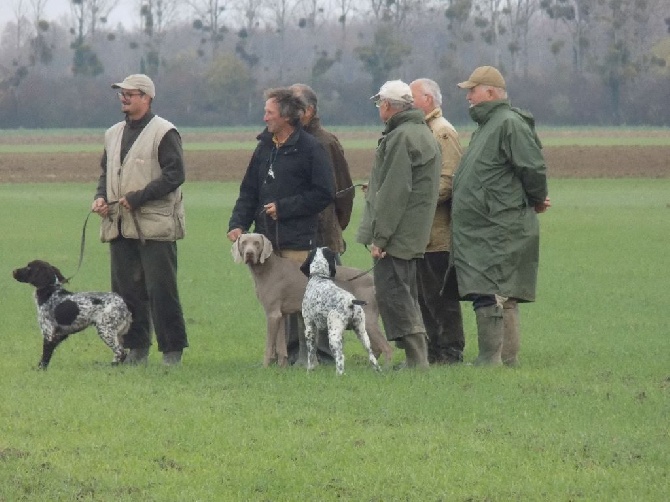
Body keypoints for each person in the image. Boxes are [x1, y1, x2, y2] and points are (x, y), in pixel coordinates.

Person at [446, 65, 551, 366]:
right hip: (486, 226)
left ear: (490, 92)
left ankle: (491, 360)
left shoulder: (508, 123)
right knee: (497, 293)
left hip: (498, 226)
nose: (467, 96)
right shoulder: (488, 125)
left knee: (491, 292)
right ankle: (504, 359)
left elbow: (532, 167)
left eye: (472, 90)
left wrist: (536, 198)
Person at [227, 87, 334, 365]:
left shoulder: (311, 148)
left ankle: (312, 358)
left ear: (286, 116)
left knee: (303, 305)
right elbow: (248, 191)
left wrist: (284, 208)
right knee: (276, 304)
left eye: (269, 113)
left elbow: (324, 193)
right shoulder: (264, 147)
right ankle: (284, 358)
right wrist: (238, 224)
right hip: (266, 242)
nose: (264, 118)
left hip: (298, 240)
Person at [91, 74, 188, 366]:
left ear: (146, 97)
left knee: (161, 291)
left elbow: (175, 175)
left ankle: (172, 352)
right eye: (122, 93)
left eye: (130, 94)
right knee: (126, 292)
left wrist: (139, 197)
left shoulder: (164, 132)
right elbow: (105, 174)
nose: (123, 98)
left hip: (155, 227)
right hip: (119, 225)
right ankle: (136, 349)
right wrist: (99, 197)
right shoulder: (112, 134)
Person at [356, 80, 441, 369]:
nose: (380, 108)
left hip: (398, 234)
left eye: (381, 103)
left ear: (389, 106)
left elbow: (394, 192)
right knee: (404, 291)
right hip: (413, 231)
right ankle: (416, 358)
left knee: (396, 294)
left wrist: (381, 237)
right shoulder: (420, 131)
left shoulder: (401, 137)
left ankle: (417, 361)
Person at [288, 83, 355, 365]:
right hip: (292, 234)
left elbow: (344, 190)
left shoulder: (326, 142)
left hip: (323, 233)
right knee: (291, 293)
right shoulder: (284, 140)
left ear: (309, 111)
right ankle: (293, 354)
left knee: (325, 298)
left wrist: (336, 226)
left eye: (293, 108)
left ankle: (327, 357)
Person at [409, 78, 466, 365]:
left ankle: (450, 351)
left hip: (438, 232)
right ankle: (432, 351)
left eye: (413, 97)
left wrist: (414, 203)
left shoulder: (443, 133)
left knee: (441, 298)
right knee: (423, 296)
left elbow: (448, 181)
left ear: (428, 100)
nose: (408, 102)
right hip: (421, 234)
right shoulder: (423, 130)